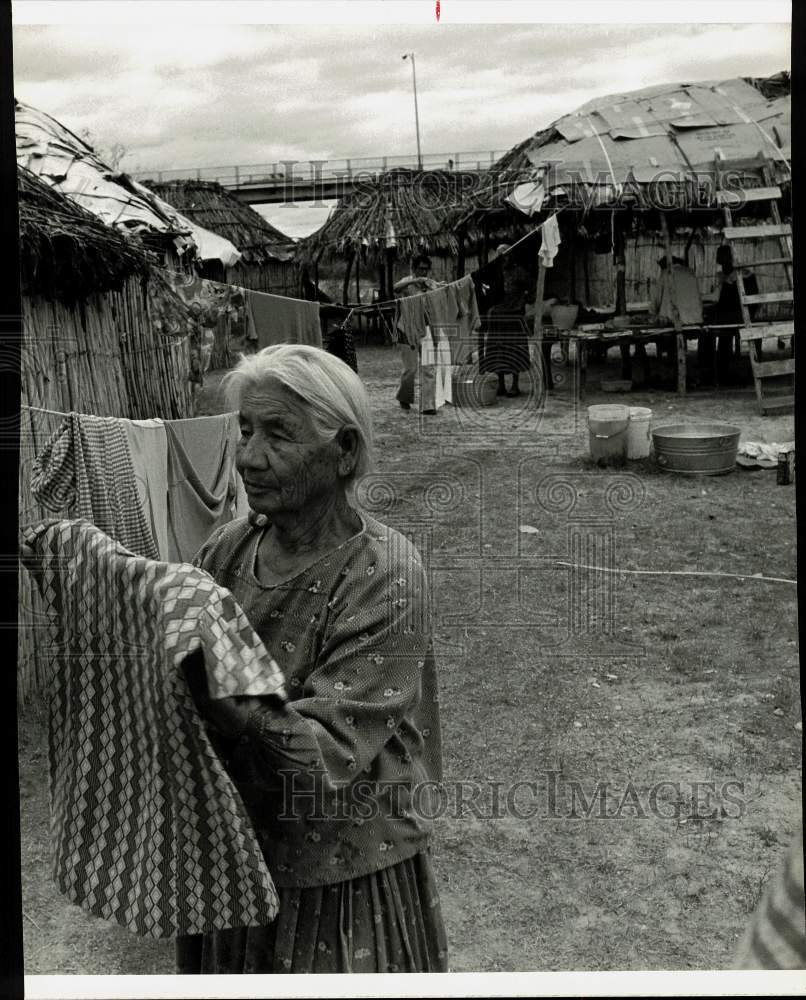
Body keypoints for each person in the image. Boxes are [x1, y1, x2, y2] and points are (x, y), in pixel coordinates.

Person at [177, 344, 447, 974]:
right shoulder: (227, 549)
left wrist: (211, 682)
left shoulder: (384, 575)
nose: (248, 457)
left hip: (342, 871)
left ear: (345, 451)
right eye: (245, 429)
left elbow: (326, 751)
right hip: (239, 858)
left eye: (278, 434)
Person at [393, 253, 444, 413]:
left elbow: (441, 291)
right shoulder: (407, 283)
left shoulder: (430, 285)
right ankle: (404, 397)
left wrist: (439, 285)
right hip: (407, 330)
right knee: (411, 369)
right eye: (421, 269)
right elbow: (395, 288)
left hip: (427, 330)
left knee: (429, 368)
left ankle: (428, 405)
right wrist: (416, 280)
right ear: (414, 269)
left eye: (427, 269)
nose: (424, 272)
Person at [477, 246, 532, 397]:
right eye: (501, 256)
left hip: (514, 317)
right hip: (497, 318)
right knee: (498, 350)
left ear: (512, 256)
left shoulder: (520, 272)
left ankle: (515, 385)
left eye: (507, 255)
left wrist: (520, 303)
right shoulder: (495, 274)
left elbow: (530, 290)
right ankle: (501, 385)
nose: (504, 258)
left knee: (514, 349)